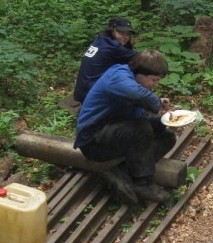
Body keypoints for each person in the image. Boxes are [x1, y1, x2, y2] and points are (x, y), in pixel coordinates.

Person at [74, 50, 176, 204]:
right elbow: (138, 98)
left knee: (167, 137)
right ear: (140, 73)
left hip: (115, 135)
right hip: (94, 142)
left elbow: (138, 118)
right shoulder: (118, 76)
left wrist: (164, 120)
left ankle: (121, 171)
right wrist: (156, 102)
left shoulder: (136, 85)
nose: (156, 84)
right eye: (154, 80)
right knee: (141, 128)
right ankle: (142, 183)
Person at [73, 17, 138, 103]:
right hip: (92, 94)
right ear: (112, 30)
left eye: (128, 34)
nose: (125, 37)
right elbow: (142, 58)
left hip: (82, 90)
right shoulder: (112, 46)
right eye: (121, 32)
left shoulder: (101, 39)